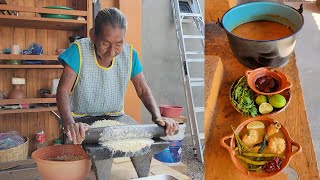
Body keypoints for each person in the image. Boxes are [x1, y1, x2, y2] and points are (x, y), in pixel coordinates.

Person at [56, 7, 179, 144]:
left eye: (119, 44)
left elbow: (143, 90)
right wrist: (69, 123)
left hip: (115, 118)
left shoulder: (130, 55)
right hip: (80, 119)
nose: (112, 52)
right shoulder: (78, 50)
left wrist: (158, 117)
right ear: (93, 36)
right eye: (105, 43)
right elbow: (63, 91)